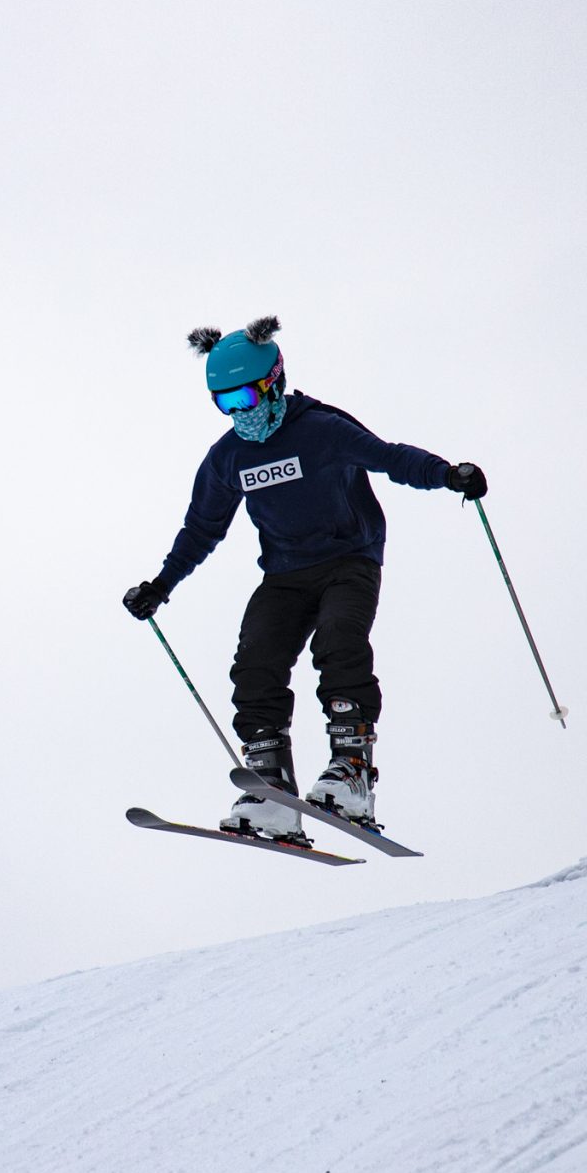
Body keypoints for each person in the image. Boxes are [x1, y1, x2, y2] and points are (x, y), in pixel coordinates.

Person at [123, 317, 485, 843]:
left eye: (245, 396)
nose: (239, 412)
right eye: (225, 403)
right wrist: (161, 584)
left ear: (274, 380)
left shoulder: (320, 429)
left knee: (340, 640)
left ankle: (353, 774)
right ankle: (271, 785)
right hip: (285, 575)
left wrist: (448, 474)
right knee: (256, 660)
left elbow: (389, 458)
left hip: (349, 561)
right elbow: (202, 528)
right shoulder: (229, 458)